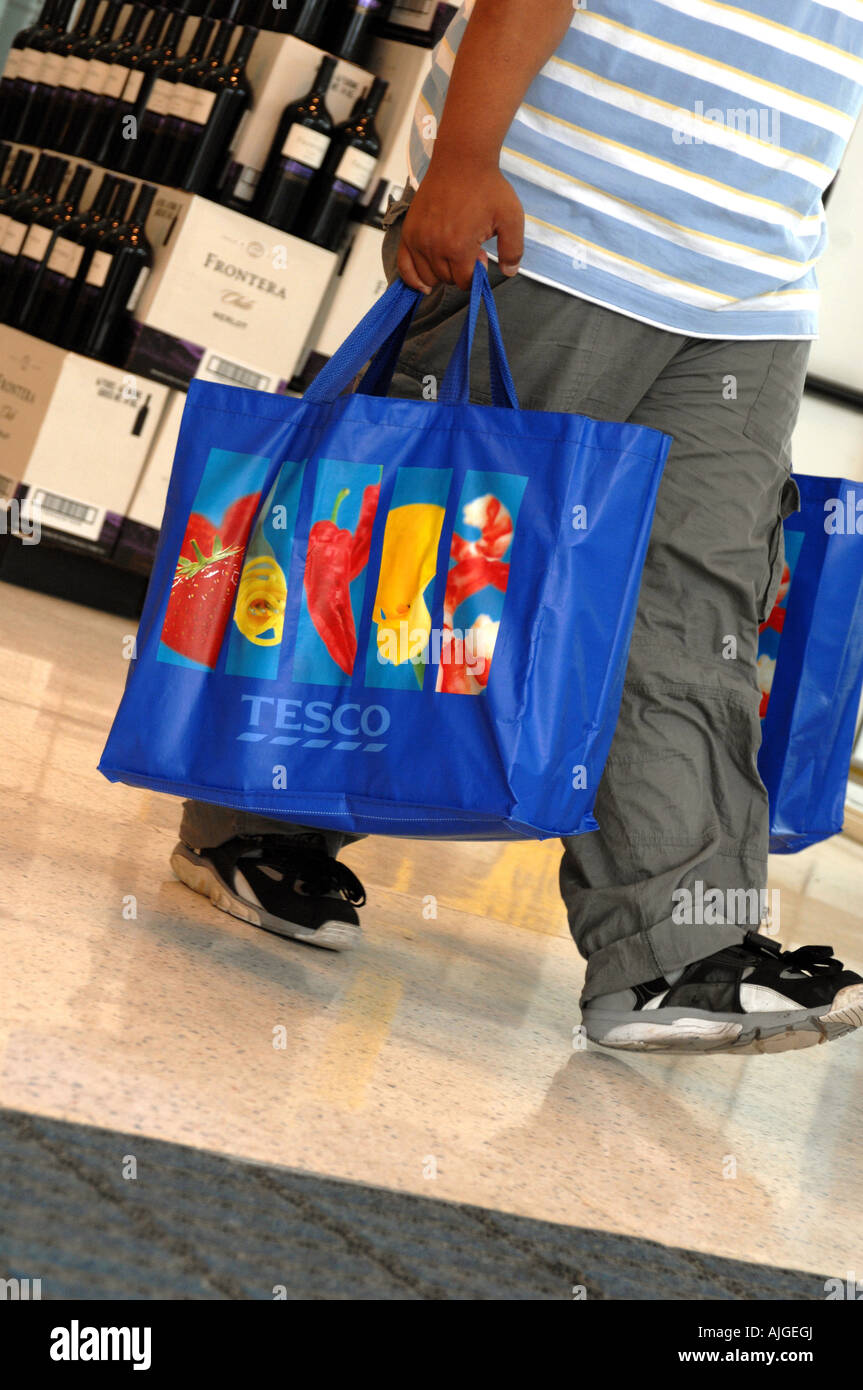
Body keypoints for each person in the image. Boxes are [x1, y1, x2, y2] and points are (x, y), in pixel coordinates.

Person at [171, 0, 863, 1054]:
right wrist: (460, 161)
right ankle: (258, 823)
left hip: (752, 290)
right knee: (432, 548)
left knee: (693, 608)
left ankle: (672, 947)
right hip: (556, 227)